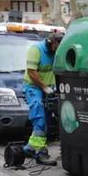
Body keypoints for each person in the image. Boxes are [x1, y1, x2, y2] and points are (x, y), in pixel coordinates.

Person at [22, 32, 63, 166]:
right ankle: (39, 152)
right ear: (51, 42)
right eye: (58, 45)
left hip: (49, 88)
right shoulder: (36, 50)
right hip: (33, 87)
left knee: (49, 120)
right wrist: (45, 88)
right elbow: (31, 72)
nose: (59, 49)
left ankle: (29, 148)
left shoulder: (56, 51)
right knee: (39, 117)